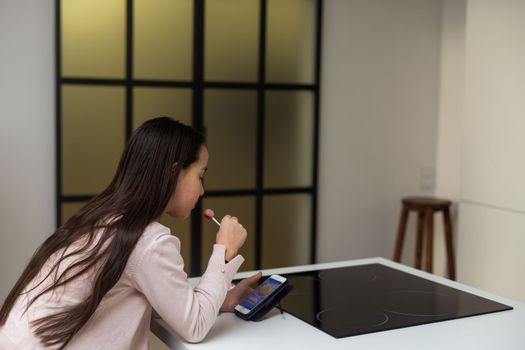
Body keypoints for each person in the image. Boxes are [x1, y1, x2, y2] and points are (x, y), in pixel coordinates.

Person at [0, 117, 261, 349]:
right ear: (173, 172)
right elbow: (194, 327)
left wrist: (220, 301)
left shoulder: (101, 216)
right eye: (200, 176)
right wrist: (224, 252)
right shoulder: (149, 241)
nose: (202, 190)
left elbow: (163, 300)